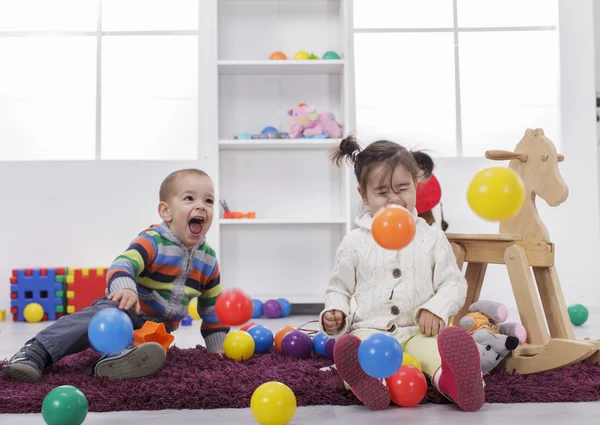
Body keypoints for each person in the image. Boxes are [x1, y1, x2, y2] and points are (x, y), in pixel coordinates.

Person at [3, 169, 229, 383]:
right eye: (189, 198)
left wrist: (217, 348)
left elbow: (213, 308)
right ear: (166, 211)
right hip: (126, 309)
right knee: (95, 319)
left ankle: (115, 359)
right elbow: (123, 263)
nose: (201, 206)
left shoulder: (208, 260)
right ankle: (35, 352)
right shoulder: (153, 241)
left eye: (208, 201)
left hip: (158, 330)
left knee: (149, 348)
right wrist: (126, 288)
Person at [320, 137, 484, 412]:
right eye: (382, 192)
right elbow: (340, 288)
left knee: (439, 355)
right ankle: (371, 383)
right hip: (370, 332)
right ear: (364, 195)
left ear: (416, 187)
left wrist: (436, 309)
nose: (394, 198)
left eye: (403, 188)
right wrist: (336, 312)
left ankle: (458, 384)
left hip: (419, 331)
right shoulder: (353, 242)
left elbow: (453, 284)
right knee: (359, 352)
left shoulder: (432, 238)